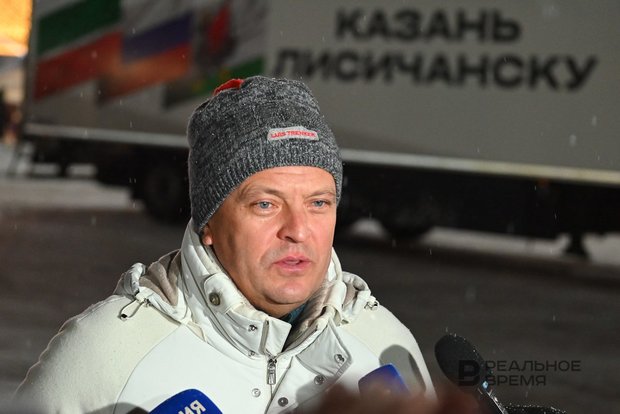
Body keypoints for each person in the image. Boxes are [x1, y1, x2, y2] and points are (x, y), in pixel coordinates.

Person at [14, 76, 439, 413]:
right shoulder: (104, 356)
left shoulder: (383, 345)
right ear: (210, 224)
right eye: (265, 204)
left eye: (318, 203)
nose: (298, 230)